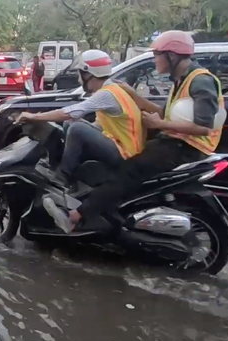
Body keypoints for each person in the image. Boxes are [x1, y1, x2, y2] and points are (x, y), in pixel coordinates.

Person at [59, 30, 224, 233]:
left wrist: (159, 125)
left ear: (171, 56)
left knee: (129, 170)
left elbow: (204, 127)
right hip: (175, 141)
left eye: (157, 55)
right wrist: (133, 95)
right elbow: (162, 113)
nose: (155, 60)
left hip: (186, 147)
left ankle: (79, 214)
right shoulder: (182, 80)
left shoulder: (200, 81)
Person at [15, 50, 145, 230]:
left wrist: (35, 117)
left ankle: (62, 177)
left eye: (80, 73)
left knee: (75, 126)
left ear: (88, 73)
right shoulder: (111, 90)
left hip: (125, 152)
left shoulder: (107, 93)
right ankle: (74, 179)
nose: (78, 77)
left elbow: (72, 110)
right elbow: (96, 125)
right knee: (72, 124)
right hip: (122, 146)